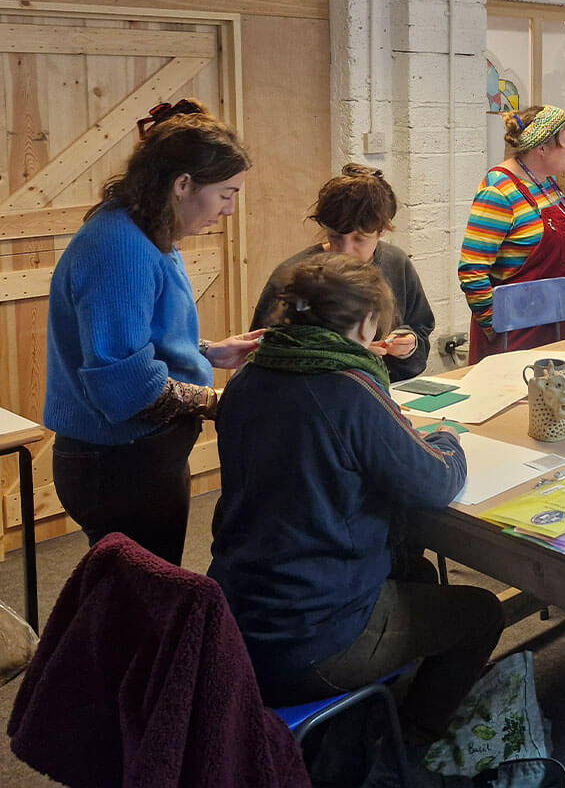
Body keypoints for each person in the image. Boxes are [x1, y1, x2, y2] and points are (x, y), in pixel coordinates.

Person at [210, 252, 503, 758]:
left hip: (236, 612)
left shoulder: (250, 378)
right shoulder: (348, 387)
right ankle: (407, 744)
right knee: (482, 613)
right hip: (312, 636)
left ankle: (376, 710)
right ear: (367, 322)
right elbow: (433, 482)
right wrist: (447, 441)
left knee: (416, 575)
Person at [44, 99, 262, 567]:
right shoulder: (120, 248)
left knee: (138, 601)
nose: (228, 210)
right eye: (226, 193)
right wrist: (220, 404)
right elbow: (125, 388)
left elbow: (128, 342)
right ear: (183, 184)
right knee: (141, 610)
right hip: (119, 465)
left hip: (133, 457)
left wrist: (206, 352)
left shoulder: (146, 230)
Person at [251, 164, 434, 381]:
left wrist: (409, 346)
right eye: (335, 236)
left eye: (359, 239)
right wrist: (351, 357)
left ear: (383, 229)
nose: (345, 251)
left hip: (384, 393)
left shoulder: (397, 264)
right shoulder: (296, 275)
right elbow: (262, 350)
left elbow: (420, 329)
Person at [459, 105, 565, 360]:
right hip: (523, 341)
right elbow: (472, 271)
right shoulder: (498, 192)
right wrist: (496, 328)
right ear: (541, 148)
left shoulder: (546, 182)